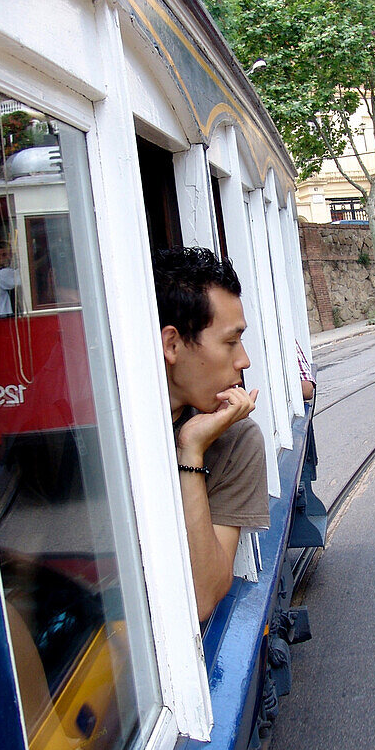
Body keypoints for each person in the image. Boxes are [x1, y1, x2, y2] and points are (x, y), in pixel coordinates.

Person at [154, 247, 269, 623]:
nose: (244, 360)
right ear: (172, 345)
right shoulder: (99, 430)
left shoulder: (237, 440)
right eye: (230, 341)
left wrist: (191, 452)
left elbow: (203, 597)